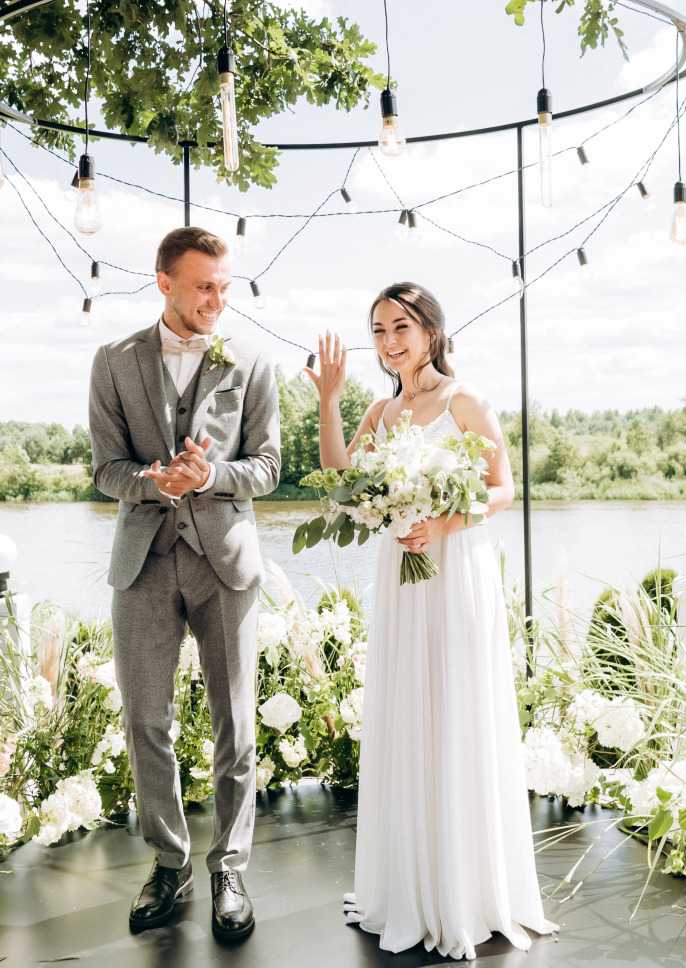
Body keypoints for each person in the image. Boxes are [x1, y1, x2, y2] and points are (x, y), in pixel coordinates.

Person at [305, 282, 556, 959]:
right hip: (401, 575)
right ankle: (408, 883)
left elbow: (503, 486)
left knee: (456, 710)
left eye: (402, 327)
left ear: (432, 331)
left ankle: (466, 889)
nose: (389, 342)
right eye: (379, 330)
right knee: (408, 712)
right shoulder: (382, 411)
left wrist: (446, 517)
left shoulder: (464, 400)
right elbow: (339, 473)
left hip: (456, 572)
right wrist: (329, 400)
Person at [89, 227, 280, 940]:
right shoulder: (111, 361)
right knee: (147, 720)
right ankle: (170, 864)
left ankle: (231, 866)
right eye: (204, 286)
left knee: (236, 720)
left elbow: (267, 466)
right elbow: (104, 468)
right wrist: (150, 480)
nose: (218, 300)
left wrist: (212, 474)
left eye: (225, 286)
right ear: (164, 281)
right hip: (141, 563)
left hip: (224, 562)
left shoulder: (251, 359)